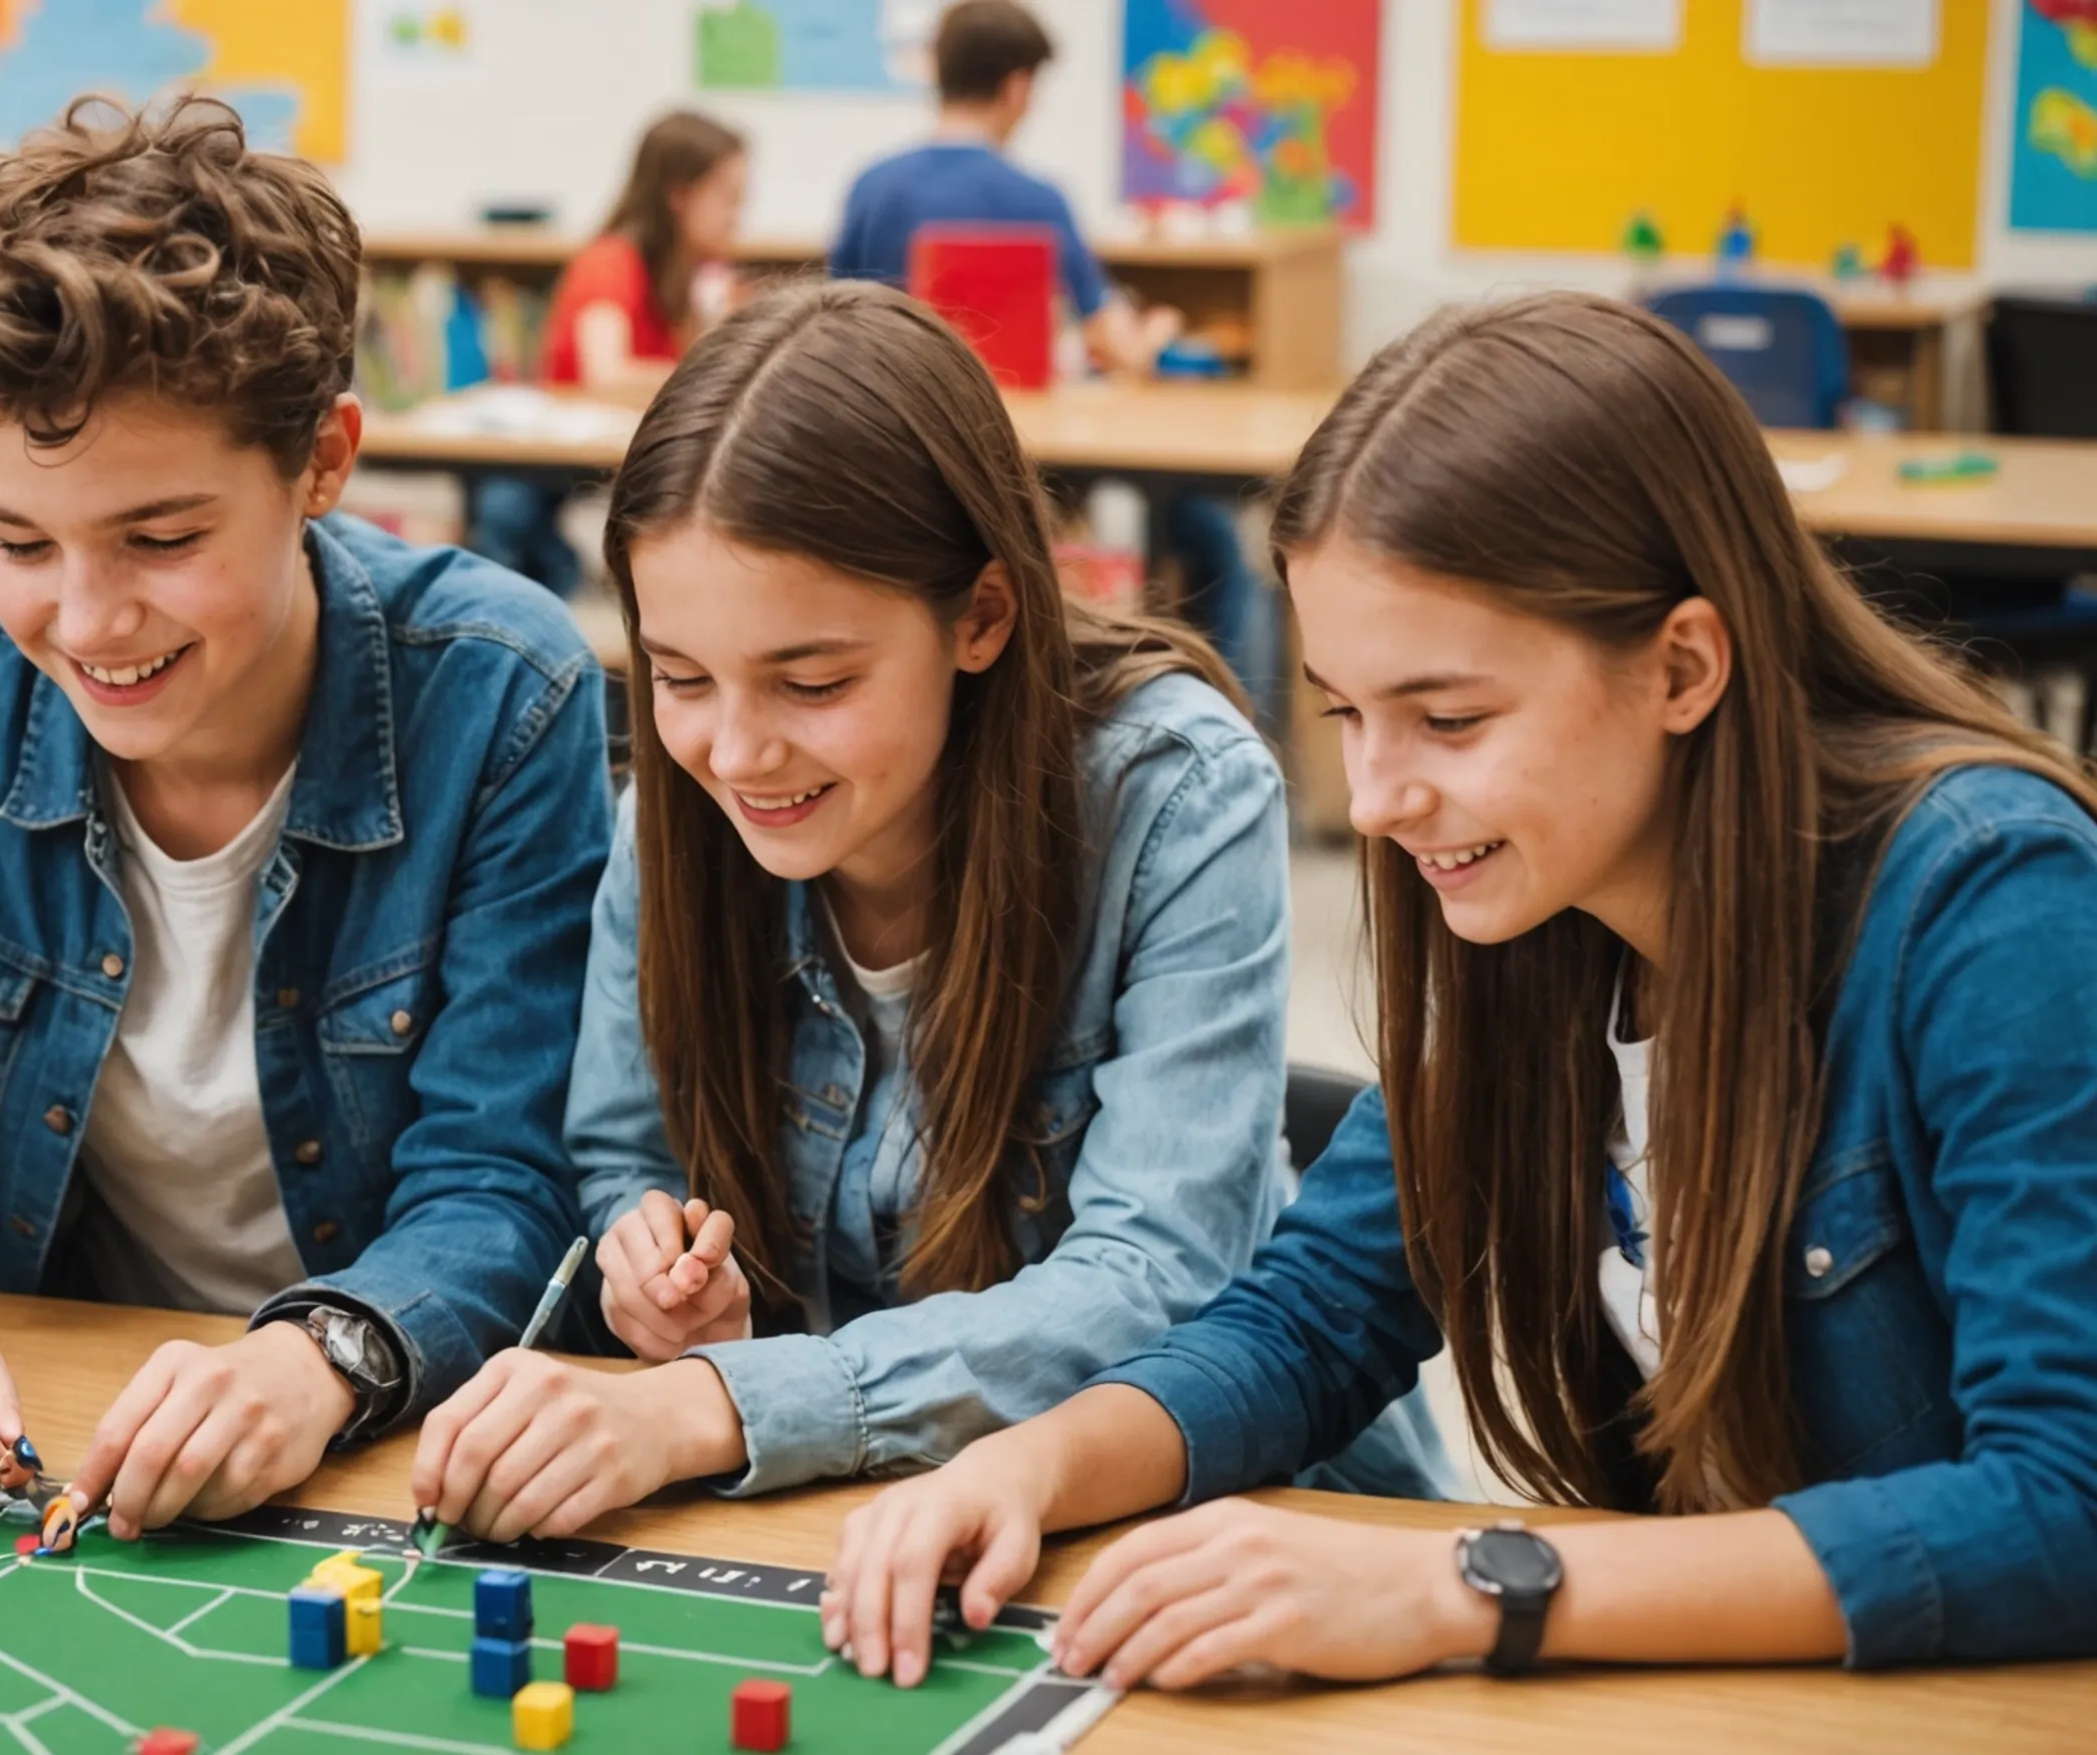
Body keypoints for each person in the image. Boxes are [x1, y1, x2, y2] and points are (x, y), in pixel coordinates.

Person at [822, 292, 2097, 1688]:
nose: (1376, 798)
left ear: (1683, 664)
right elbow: (1313, 1317)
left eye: (1450, 717)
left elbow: (2065, 1502)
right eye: (1347, 711)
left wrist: (1467, 1580)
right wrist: (1027, 1463)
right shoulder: (1540, 907)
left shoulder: (1995, 901)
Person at [0, 98, 612, 1517]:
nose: (88, 621)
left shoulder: (504, 693)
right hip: (57, 1412)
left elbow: (505, 1181)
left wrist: (317, 1354)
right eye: (19, 539)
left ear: (324, 462)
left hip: (405, 1430)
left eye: (163, 536)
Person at [410, 278, 1444, 1555]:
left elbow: (1152, 1284)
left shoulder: (1177, 795)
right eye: (678, 677)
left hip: (1225, 1525)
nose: (736, 751)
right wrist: (651, 1253)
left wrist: (720, 1404)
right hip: (857, 1514)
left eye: (813, 680)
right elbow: (624, 1150)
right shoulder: (674, 816)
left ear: (983, 617)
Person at [830, 0, 1268, 724]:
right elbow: (1117, 346)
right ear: (1019, 87)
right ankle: (1235, 731)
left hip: (890, 462)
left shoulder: (874, 186)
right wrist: (1156, 328)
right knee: (1210, 534)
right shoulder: (1035, 198)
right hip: (1021, 465)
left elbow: (831, 325)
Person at [466, 111, 747, 595]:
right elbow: (607, 372)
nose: (736, 215)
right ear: (680, 195)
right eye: (727, 197)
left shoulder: (693, 279)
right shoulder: (613, 262)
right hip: (561, 466)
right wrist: (710, 368)